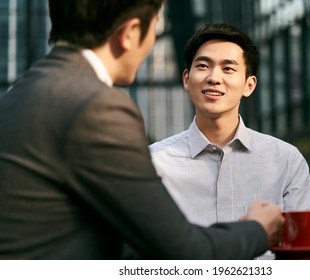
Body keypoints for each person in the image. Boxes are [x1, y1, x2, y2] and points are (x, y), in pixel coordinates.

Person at [0, 0, 285, 259]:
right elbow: (185, 252)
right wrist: (258, 229)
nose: (150, 44)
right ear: (130, 33)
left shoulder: (21, 92)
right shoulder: (96, 106)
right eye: (153, 29)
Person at [149, 23, 310, 228]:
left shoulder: (286, 161)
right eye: (202, 66)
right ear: (186, 79)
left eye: (228, 68)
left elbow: (303, 247)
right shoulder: (154, 162)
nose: (213, 78)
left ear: (249, 85)